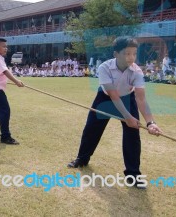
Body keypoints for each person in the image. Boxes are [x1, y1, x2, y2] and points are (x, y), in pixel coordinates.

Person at [67, 36, 163, 189]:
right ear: (116, 54)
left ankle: (133, 175)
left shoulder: (137, 72)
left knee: (132, 136)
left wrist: (151, 122)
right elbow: (113, 96)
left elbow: (141, 98)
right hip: (105, 99)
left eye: (134, 53)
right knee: (91, 129)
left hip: (127, 98)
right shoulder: (104, 67)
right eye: (127, 53)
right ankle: (82, 159)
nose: (131, 57)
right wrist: (127, 117)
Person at [0, 38, 24, 145]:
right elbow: (5, 71)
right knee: (5, 110)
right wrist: (16, 81)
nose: (6, 48)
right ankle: (5, 137)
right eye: (3, 46)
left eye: (6, 46)